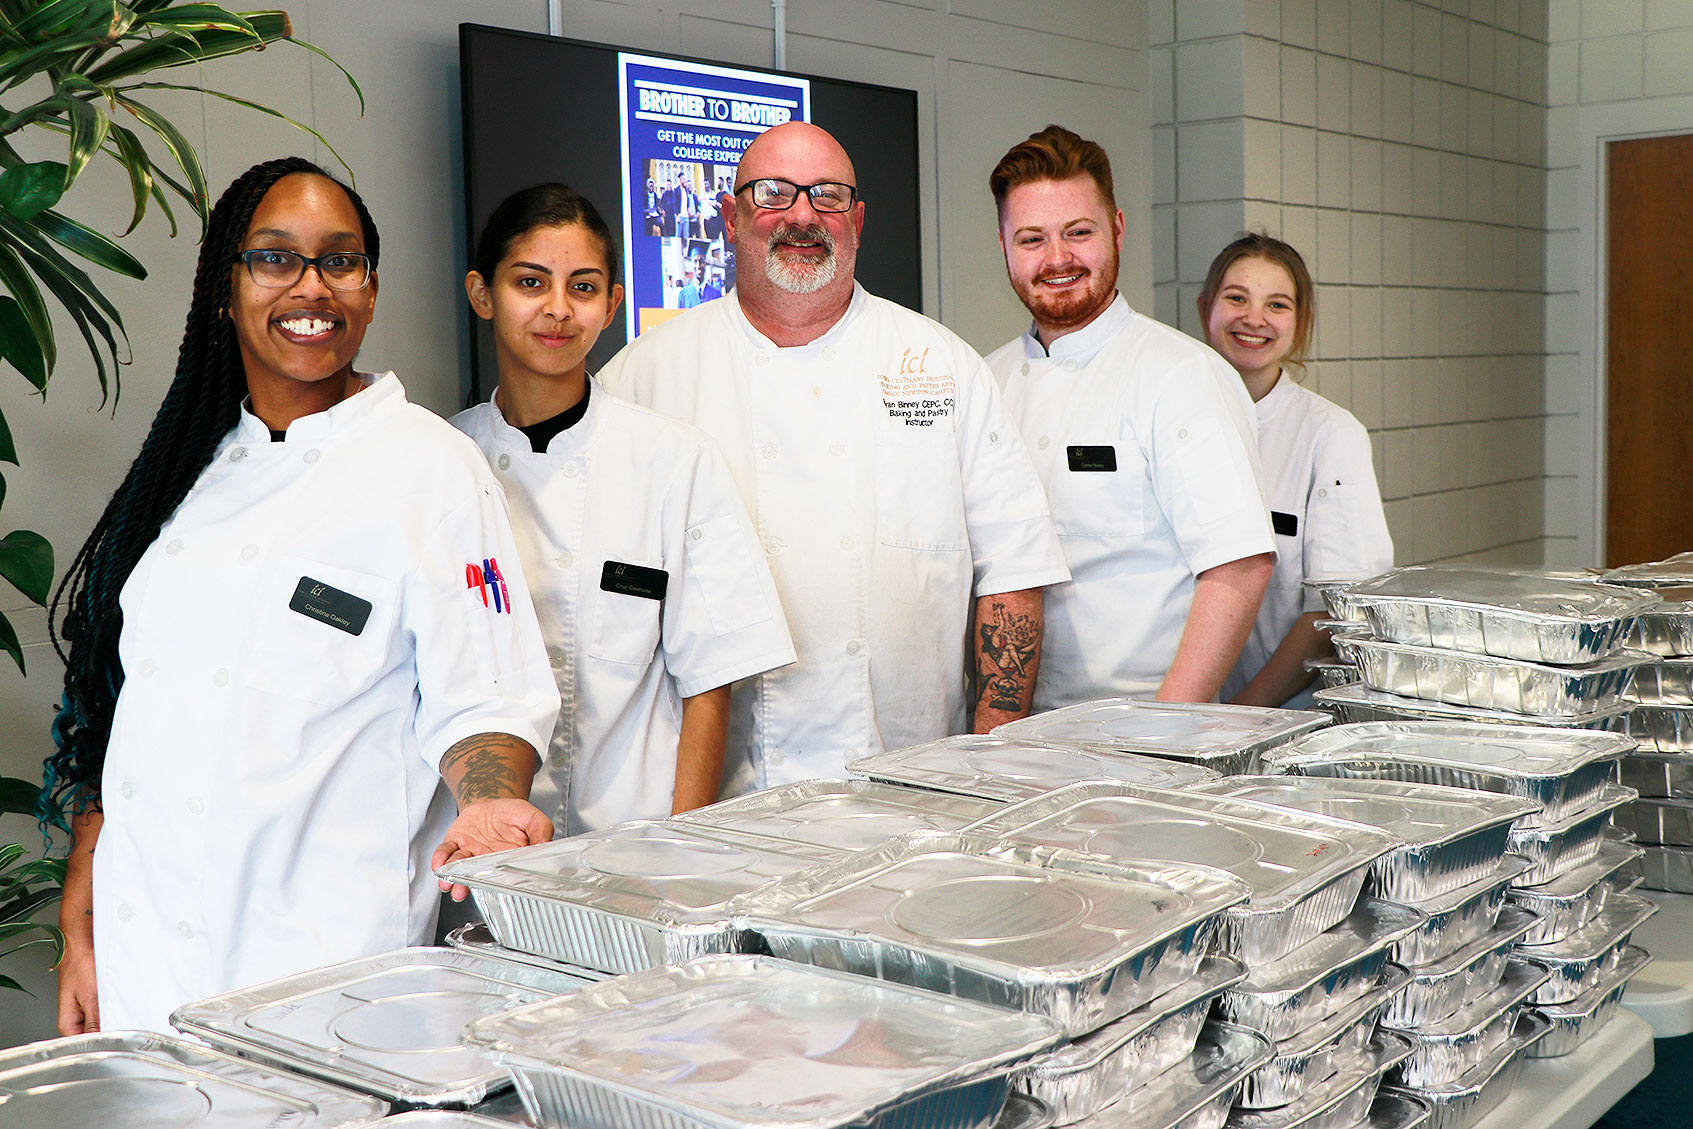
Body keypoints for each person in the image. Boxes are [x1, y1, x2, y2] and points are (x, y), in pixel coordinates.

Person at [44, 157, 560, 1036]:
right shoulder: (187, 473)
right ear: (224, 286)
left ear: (369, 287)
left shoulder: (428, 467)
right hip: (145, 963)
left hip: (321, 979)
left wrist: (488, 802)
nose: (311, 286)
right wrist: (80, 913)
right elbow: (124, 707)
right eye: (276, 258)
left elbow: (487, 696)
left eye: (340, 259)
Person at [601, 121, 1068, 793]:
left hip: (913, 785)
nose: (801, 214)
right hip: (717, 803)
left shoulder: (942, 366)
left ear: (856, 220)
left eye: (826, 195)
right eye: (773, 193)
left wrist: (983, 774)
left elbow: (1013, 576)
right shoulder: (645, 378)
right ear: (730, 217)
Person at [454, 183, 795, 834]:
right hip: (486, 849)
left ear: (611, 305)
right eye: (530, 282)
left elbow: (710, 683)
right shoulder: (444, 459)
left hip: (636, 847)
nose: (557, 310)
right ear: (481, 293)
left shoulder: (674, 461)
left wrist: (680, 848)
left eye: (582, 288)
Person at [985, 125, 1275, 708]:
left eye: (1079, 233)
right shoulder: (982, 383)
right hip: (1017, 742)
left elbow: (1239, 569)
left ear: (1117, 228)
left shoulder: (1179, 375)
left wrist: (1163, 736)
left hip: (1142, 738)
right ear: (1004, 246)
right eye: (1032, 239)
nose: (1058, 258)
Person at [1199, 233, 1393, 707]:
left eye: (1277, 305)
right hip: (1171, 712)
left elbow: (1335, 613)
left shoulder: (1330, 435)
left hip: (1282, 721)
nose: (1254, 318)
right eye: (1236, 297)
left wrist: (1240, 715)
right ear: (1206, 307)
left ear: (1300, 322)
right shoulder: (1169, 421)